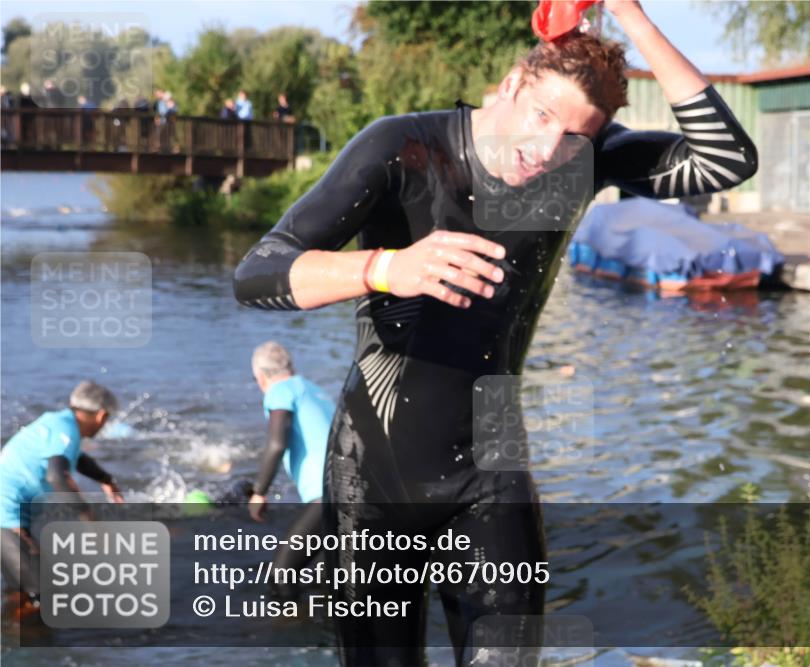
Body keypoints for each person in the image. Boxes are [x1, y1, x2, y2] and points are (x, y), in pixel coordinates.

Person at [233, 0, 757, 663]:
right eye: (541, 116)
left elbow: (728, 157)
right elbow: (256, 274)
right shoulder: (401, 147)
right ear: (512, 84)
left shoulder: (580, 165)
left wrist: (631, 15)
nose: (546, 151)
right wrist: (388, 267)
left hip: (494, 469)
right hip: (376, 473)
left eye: (574, 135)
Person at [0, 381, 124, 614]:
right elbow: (58, 476)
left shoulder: (60, 423)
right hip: (6, 517)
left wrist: (105, 479)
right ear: (101, 415)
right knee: (45, 598)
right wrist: (91, 524)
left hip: (11, 515)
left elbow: (75, 458)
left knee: (22, 592)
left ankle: (18, 631)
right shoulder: (66, 430)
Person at [247, 341, 334, 600]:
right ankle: (324, 632)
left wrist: (259, 492)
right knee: (322, 578)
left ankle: (290, 629)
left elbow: (276, 444)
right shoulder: (314, 389)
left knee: (280, 576)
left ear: (260, 377)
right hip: (352, 492)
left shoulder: (280, 391)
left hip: (327, 494)